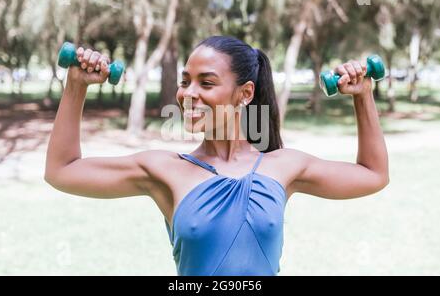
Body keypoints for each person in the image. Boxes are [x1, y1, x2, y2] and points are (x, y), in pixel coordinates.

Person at [44, 35, 389, 276]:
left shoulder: (283, 166)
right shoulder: (165, 171)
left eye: (206, 83)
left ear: (245, 94)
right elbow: (62, 170)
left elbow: (373, 174)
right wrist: (76, 86)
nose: (188, 94)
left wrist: (363, 96)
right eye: (185, 81)